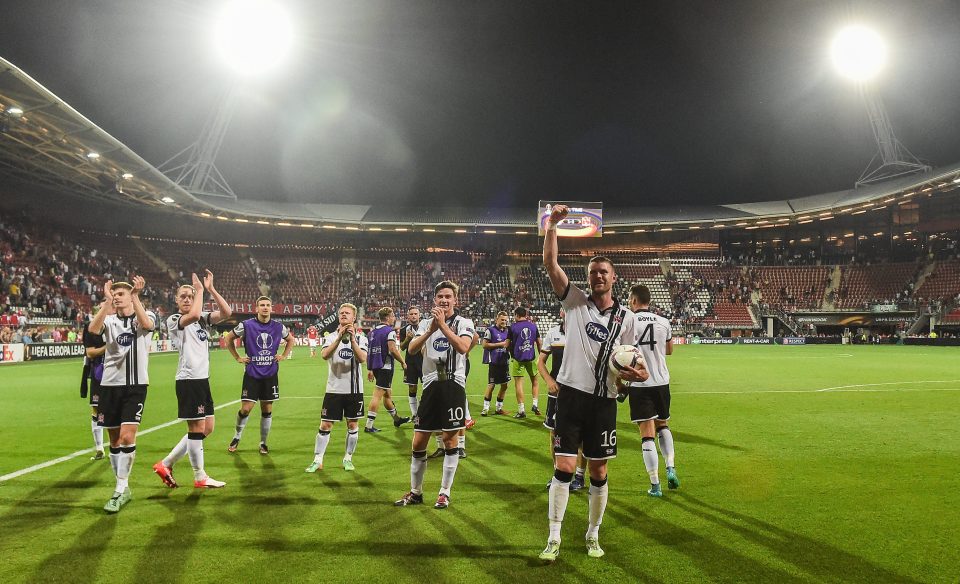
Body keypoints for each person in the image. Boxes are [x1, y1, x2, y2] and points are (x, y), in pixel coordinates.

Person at [538, 204, 647, 561]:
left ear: (614, 278)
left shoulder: (627, 319)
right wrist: (552, 226)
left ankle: (592, 534)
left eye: (603, 272)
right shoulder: (574, 302)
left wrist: (634, 379)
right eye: (593, 272)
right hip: (570, 396)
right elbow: (552, 265)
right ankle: (554, 537)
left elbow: (634, 365)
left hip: (603, 402)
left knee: (598, 470)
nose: (598, 276)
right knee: (564, 467)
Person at [394, 281, 475, 510]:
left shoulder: (464, 323)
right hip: (430, 386)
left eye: (448, 296)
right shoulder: (426, 324)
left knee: (450, 440)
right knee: (419, 441)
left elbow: (463, 347)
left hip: (453, 385)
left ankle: (444, 493)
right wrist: (432, 328)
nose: (444, 300)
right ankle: (416, 493)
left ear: (455, 300)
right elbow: (411, 349)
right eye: (440, 296)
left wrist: (443, 327)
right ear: (434, 300)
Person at [152, 270, 232, 489]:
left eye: (190, 295)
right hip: (188, 381)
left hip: (202, 380)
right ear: (177, 301)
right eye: (183, 296)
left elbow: (226, 312)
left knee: (207, 428)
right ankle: (200, 477)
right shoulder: (175, 320)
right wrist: (198, 290)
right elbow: (195, 314)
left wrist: (211, 290)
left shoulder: (201, 321)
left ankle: (166, 463)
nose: (187, 299)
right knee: (196, 429)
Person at [87, 277, 158, 514]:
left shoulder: (145, 316)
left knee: (128, 438)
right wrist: (106, 303)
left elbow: (147, 325)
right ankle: (122, 487)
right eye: (114, 293)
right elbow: (93, 330)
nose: (117, 296)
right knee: (115, 441)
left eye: (121, 294)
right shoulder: (108, 319)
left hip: (136, 386)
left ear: (130, 297)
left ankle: (120, 488)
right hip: (109, 385)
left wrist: (136, 296)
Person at [620, 284, 678, 497]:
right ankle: (671, 467)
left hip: (640, 384)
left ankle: (655, 485)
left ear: (634, 300)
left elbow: (621, 354)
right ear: (649, 300)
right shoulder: (663, 321)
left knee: (647, 435)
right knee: (663, 425)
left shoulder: (627, 321)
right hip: (661, 381)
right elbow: (669, 350)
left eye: (629, 299)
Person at [224, 296, 294, 455]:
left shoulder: (278, 327)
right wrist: (237, 357)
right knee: (246, 409)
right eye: (262, 305)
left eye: (268, 305)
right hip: (252, 373)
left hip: (270, 374)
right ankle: (237, 436)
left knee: (267, 409)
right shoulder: (247, 325)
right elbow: (228, 338)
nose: (265, 307)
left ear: (271, 308)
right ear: (256, 308)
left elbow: (290, 340)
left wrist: (283, 355)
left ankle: (263, 443)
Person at [306, 303, 368, 472]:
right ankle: (318, 460)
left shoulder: (362, 338)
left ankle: (348, 458)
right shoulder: (331, 336)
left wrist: (352, 339)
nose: (343, 315)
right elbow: (325, 355)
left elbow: (362, 358)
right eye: (341, 313)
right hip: (333, 389)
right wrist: (340, 338)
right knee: (325, 425)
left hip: (354, 390)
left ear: (353, 317)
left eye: (347, 313)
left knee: (352, 425)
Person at [537, 309, 586, 492]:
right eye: (565, 310)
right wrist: (549, 380)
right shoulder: (553, 333)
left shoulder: (585, 332)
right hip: (557, 393)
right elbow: (540, 362)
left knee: (581, 437)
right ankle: (558, 474)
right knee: (554, 434)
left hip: (581, 392)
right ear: (561, 312)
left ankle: (579, 477)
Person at [364, 307, 410, 433]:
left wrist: (370, 369)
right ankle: (369, 425)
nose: (394, 318)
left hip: (377, 366)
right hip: (386, 366)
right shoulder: (389, 331)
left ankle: (397, 419)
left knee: (387, 394)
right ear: (388, 317)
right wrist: (403, 362)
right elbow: (393, 349)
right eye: (393, 315)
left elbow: (370, 352)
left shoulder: (372, 332)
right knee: (377, 395)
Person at [507, 306, 542, 418]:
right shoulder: (533, 326)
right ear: (526, 315)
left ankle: (521, 410)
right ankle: (535, 404)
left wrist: (511, 354)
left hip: (518, 358)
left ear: (517, 315)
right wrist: (541, 356)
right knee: (535, 381)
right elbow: (539, 342)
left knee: (519, 383)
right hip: (531, 357)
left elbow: (507, 344)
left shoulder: (512, 327)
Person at [81, 317, 106, 461]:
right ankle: (99, 448)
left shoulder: (118, 324)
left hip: (117, 373)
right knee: (97, 408)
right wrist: (108, 347)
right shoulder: (90, 327)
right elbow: (90, 353)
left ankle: (119, 445)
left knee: (114, 408)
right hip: (98, 372)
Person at [480, 312, 511, 416]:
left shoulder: (508, 331)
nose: (504, 322)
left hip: (504, 362)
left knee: (504, 385)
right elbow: (484, 345)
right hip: (494, 362)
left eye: (506, 320)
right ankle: (485, 408)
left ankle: (498, 408)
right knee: (491, 385)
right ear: (497, 319)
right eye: (502, 320)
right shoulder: (490, 330)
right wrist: (501, 344)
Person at [399, 307, 423, 416]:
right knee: (412, 388)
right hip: (411, 362)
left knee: (428, 387)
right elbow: (402, 347)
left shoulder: (426, 327)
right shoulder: (404, 330)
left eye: (415, 313)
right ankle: (415, 414)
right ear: (408, 316)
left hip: (424, 361)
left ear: (419, 315)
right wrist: (407, 339)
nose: (413, 316)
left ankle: (428, 411)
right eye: (411, 314)